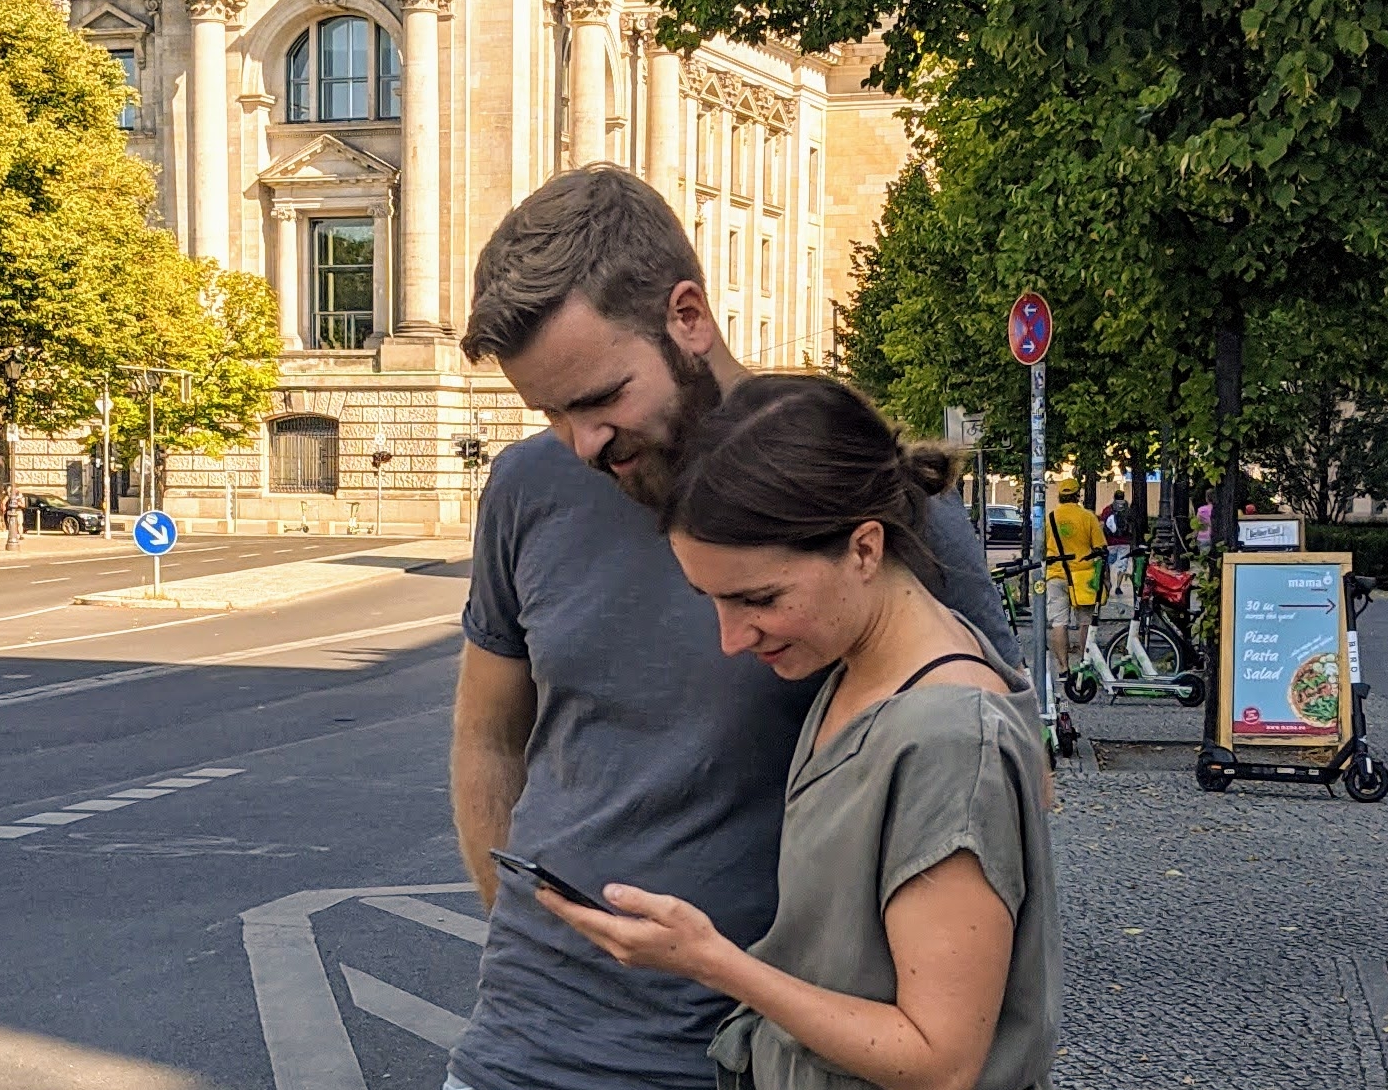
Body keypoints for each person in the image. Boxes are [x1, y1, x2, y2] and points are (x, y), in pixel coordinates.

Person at [449, 165, 1023, 1090]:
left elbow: (990, 772)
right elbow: (488, 735)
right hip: (521, 1044)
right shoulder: (526, 487)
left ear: (687, 316)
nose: (580, 443)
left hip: (759, 1054)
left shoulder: (866, 492)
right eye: (549, 412)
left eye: (600, 398)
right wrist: (517, 929)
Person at [542, 374, 1059, 1090]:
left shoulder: (946, 738)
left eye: (759, 598)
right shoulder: (872, 661)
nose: (730, 638)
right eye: (712, 600)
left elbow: (940, 1061)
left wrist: (711, 961)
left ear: (865, 549)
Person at [1043, 478, 1107, 683]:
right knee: (1085, 622)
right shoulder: (1087, 517)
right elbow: (1100, 549)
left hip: (1056, 575)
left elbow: (1043, 546)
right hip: (1083, 576)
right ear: (1078, 495)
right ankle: (1084, 664)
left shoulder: (1051, 518)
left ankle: (1063, 669)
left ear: (1060, 496)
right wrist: (1105, 579)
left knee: (1058, 623)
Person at [1098, 489, 1132, 599]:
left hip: (1110, 542)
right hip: (1125, 543)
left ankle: (1108, 585)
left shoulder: (1108, 510)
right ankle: (1118, 586)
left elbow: (1102, 525)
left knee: (1107, 564)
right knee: (1122, 565)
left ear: (1114, 497)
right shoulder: (1128, 510)